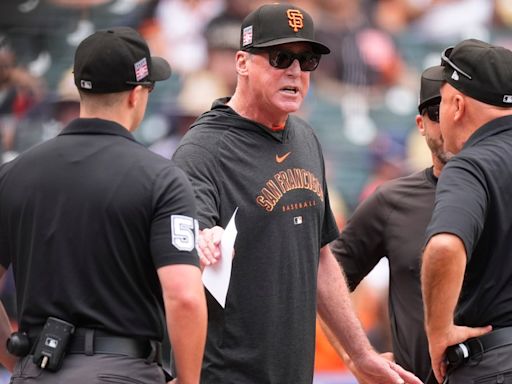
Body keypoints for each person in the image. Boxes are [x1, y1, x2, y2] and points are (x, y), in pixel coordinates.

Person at [172, 3, 422, 384]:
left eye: (306, 61)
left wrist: (359, 355)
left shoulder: (304, 138)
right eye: (280, 57)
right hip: (226, 374)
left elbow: (320, 258)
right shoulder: (204, 148)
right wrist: (204, 239)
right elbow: (187, 250)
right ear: (242, 62)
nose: (295, 71)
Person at [0, 26, 207, 383]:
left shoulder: (13, 174)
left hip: (36, 370)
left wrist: (15, 359)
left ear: (80, 88)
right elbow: (184, 296)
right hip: (122, 372)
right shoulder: (161, 178)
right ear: (136, 95)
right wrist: (189, 381)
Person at [326, 65, 449, 383]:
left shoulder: (502, 192)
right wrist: (357, 358)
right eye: (437, 111)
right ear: (421, 124)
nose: (449, 121)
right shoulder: (392, 202)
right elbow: (326, 281)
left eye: (459, 109)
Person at [421, 38, 512, 384]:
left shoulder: (471, 165)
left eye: (441, 102)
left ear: (457, 104)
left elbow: (445, 247)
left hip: (494, 365)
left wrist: (439, 332)